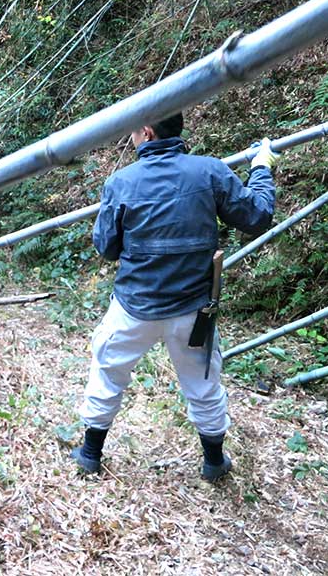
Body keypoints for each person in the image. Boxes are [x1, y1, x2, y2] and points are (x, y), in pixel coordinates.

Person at [69, 111, 277, 481]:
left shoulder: (121, 181)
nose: (130, 137)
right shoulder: (210, 172)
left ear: (147, 132)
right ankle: (214, 462)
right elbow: (257, 215)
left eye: (132, 130)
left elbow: (107, 248)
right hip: (193, 309)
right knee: (203, 383)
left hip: (134, 306)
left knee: (108, 372)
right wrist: (260, 167)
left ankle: (89, 453)